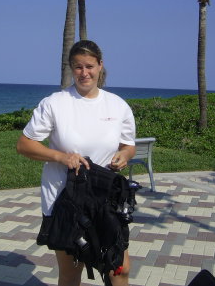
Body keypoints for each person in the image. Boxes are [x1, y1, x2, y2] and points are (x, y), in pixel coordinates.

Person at [16, 40, 136, 286]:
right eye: (78, 67)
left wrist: (124, 156)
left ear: (100, 66)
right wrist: (62, 157)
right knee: (71, 273)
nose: (85, 73)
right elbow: (24, 144)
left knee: (119, 269)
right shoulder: (55, 103)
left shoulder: (117, 105)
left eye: (90, 66)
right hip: (65, 200)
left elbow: (128, 145)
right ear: (71, 68)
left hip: (105, 199)